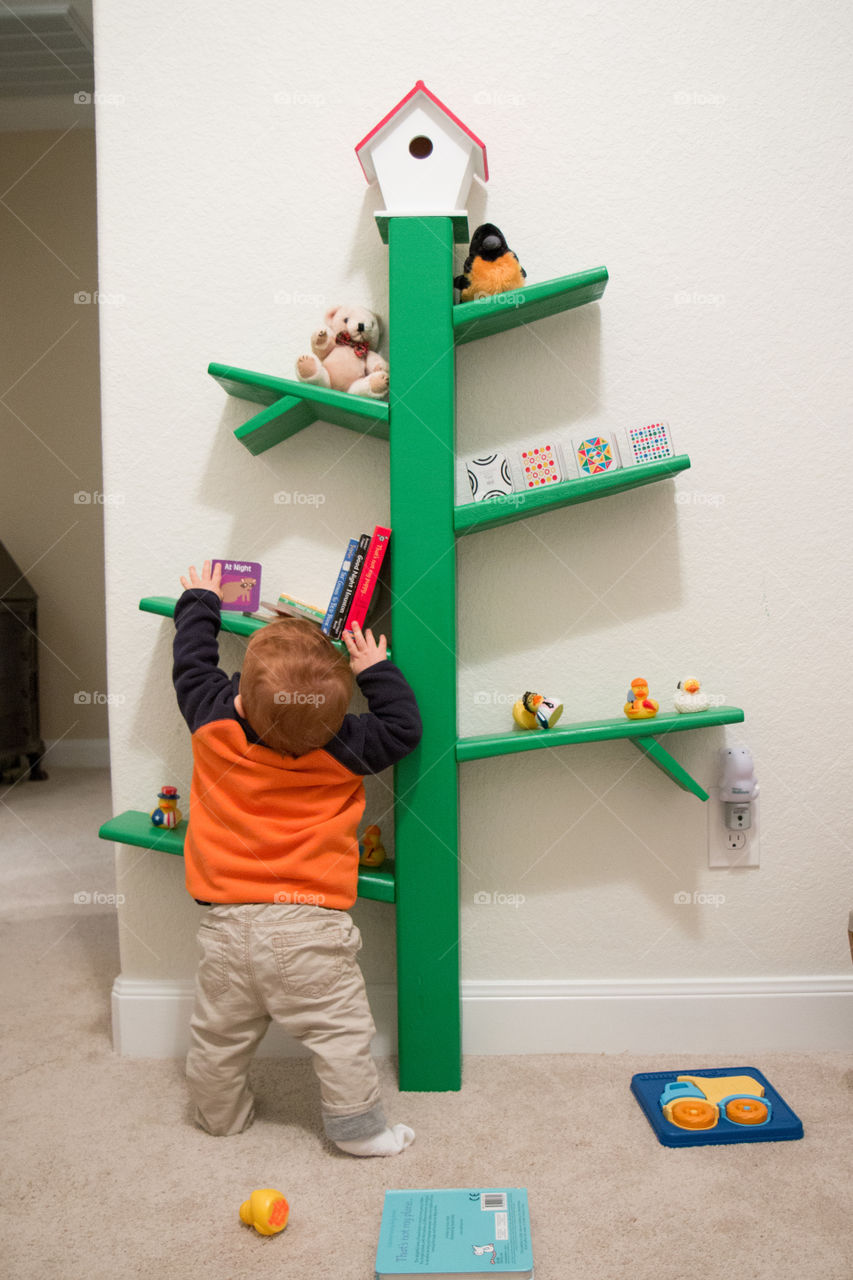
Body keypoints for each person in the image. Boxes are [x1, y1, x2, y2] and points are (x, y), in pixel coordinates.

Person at [172, 560, 421, 1156]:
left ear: (239, 697)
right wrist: (373, 668)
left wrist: (201, 601)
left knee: (218, 1036)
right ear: (338, 714)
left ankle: (218, 1119)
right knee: (341, 1035)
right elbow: (404, 728)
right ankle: (359, 1132)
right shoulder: (347, 745)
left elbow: (190, 665)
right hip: (313, 928)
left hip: (228, 926)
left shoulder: (213, 722)